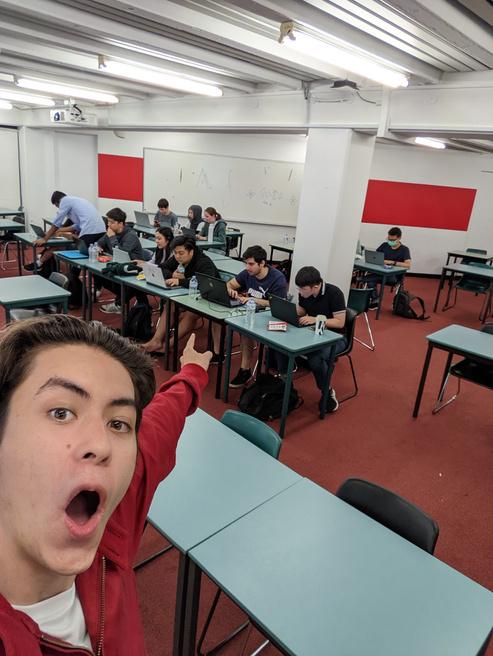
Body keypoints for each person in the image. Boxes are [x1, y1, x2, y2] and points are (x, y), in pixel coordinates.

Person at [0, 314, 211, 654]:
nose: (101, 444)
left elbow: (162, 421)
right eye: (61, 413)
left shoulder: (115, 522)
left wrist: (192, 373)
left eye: (117, 423)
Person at [142, 235, 220, 354]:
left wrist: (180, 281)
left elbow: (206, 283)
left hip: (208, 298)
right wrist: (172, 274)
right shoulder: (178, 258)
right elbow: (162, 268)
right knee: (170, 305)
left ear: (191, 252)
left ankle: (168, 345)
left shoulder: (204, 263)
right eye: (175, 253)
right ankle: (156, 341)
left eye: (181, 253)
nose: (177, 256)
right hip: (188, 295)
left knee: (190, 314)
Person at [227, 245, 287, 387]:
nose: (247, 267)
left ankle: (252, 370)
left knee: (246, 329)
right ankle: (245, 370)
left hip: (272, 318)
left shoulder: (277, 278)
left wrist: (252, 299)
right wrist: (231, 290)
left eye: (251, 264)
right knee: (244, 327)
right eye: (246, 263)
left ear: (262, 263)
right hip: (251, 315)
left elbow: (276, 305)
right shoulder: (248, 273)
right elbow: (229, 284)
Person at [294, 266, 347, 413]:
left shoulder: (334, 293)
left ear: (316, 287)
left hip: (336, 337)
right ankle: (285, 382)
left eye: (303, 289)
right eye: (299, 288)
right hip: (313, 332)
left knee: (315, 357)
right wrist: (288, 310)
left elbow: (340, 322)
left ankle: (327, 391)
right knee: (281, 344)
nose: (300, 292)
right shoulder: (305, 293)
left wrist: (315, 319)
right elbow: (302, 311)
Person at [97, 208, 152, 314]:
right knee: (100, 274)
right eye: (108, 221)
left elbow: (121, 253)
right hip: (121, 266)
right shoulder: (111, 231)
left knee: (132, 286)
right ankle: (125, 300)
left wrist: (112, 238)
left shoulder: (131, 235)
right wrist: (99, 246)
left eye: (111, 222)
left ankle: (121, 303)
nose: (108, 225)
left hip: (134, 269)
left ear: (121, 223)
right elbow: (100, 242)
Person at [35, 191, 105, 250]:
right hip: (101, 231)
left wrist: (45, 239)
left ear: (58, 202)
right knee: (91, 254)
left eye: (57, 206)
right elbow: (78, 225)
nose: (59, 208)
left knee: (76, 253)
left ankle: (41, 260)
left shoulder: (64, 201)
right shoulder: (75, 200)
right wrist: (59, 230)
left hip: (89, 231)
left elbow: (57, 222)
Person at [367, 226, 411, 306]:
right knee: (370, 281)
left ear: (399, 238)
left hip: (394, 276)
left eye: (393, 240)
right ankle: (375, 299)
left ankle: (364, 279)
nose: (390, 241)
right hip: (380, 272)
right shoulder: (384, 245)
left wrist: (391, 262)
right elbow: (375, 256)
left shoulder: (404, 249)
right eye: (389, 239)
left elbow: (408, 265)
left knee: (369, 278)